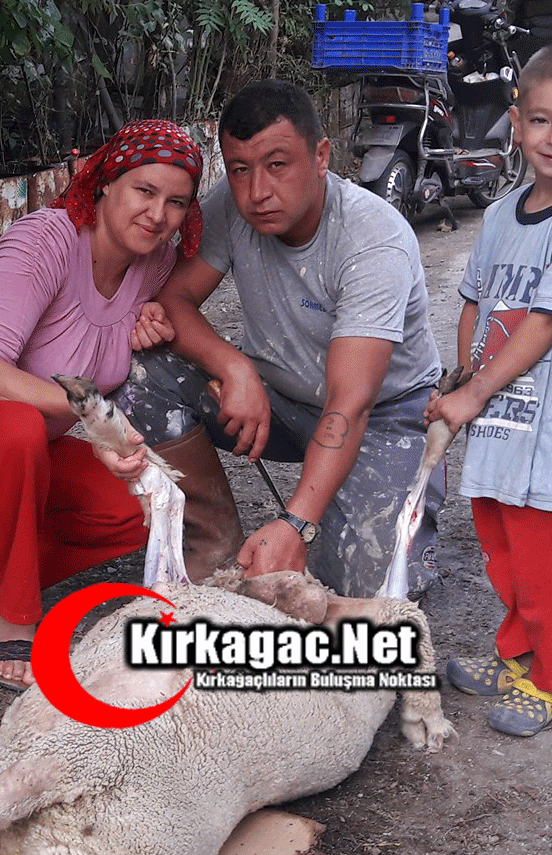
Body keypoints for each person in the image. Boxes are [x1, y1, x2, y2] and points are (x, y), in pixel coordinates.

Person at [0, 121, 204, 691]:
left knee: (138, 505)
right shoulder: (44, 241)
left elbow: (139, 320)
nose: (157, 214)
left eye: (176, 202)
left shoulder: (155, 264)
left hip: (20, 454)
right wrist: (98, 419)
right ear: (105, 182)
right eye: (144, 191)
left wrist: (154, 320)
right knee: (16, 425)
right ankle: (14, 615)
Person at [116, 79, 444, 598]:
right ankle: (212, 540)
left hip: (383, 417)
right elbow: (173, 301)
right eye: (240, 169)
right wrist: (236, 368)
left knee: (364, 590)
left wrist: (297, 523)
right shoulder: (232, 206)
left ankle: (354, 520)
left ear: (321, 156)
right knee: (138, 370)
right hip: (281, 402)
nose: (257, 192)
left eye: (277, 164)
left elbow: (351, 403)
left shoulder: (372, 239)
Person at [424, 40, 552, 737]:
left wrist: (473, 394)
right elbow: (475, 304)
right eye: (541, 120)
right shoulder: (501, 214)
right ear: (516, 124)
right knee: (505, 549)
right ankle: (517, 653)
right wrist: (460, 382)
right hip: (500, 419)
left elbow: (543, 322)